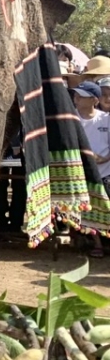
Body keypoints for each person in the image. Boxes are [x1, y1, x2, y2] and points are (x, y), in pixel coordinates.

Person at [73, 81, 110, 256]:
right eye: (76, 95)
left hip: (105, 173)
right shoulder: (71, 120)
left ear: (94, 100)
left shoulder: (106, 119)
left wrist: (104, 158)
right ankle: (97, 244)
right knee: (89, 210)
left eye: (82, 96)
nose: (77, 98)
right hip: (80, 173)